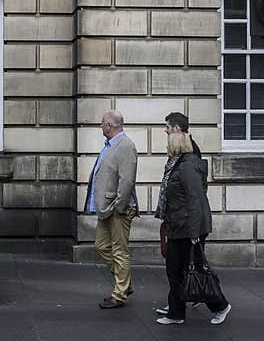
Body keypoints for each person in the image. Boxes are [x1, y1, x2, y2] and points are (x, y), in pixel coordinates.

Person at [156, 131, 231, 326]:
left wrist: (194, 232)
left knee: (196, 270)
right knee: (175, 270)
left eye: (168, 144)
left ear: (175, 145)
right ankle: (176, 313)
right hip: (177, 224)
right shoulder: (177, 165)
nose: (165, 147)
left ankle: (220, 306)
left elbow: (195, 199)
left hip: (188, 226)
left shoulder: (187, 167)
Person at [84, 110, 139, 309]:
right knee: (101, 245)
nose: (101, 127)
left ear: (110, 125)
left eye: (102, 124)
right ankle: (125, 283)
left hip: (118, 208)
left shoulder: (125, 146)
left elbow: (127, 180)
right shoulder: (110, 145)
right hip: (106, 208)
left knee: (119, 251)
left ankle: (119, 294)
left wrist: (119, 206)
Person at [155, 111, 202, 315]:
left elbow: (194, 195)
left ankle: (212, 301)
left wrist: (193, 229)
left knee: (185, 266)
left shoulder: (189, 158)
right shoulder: (176, 158)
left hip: (184, 221)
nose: (165, 131)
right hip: (174, 219)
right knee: (176, 265)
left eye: (168, 127)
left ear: (176, 129)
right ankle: (178, 304)